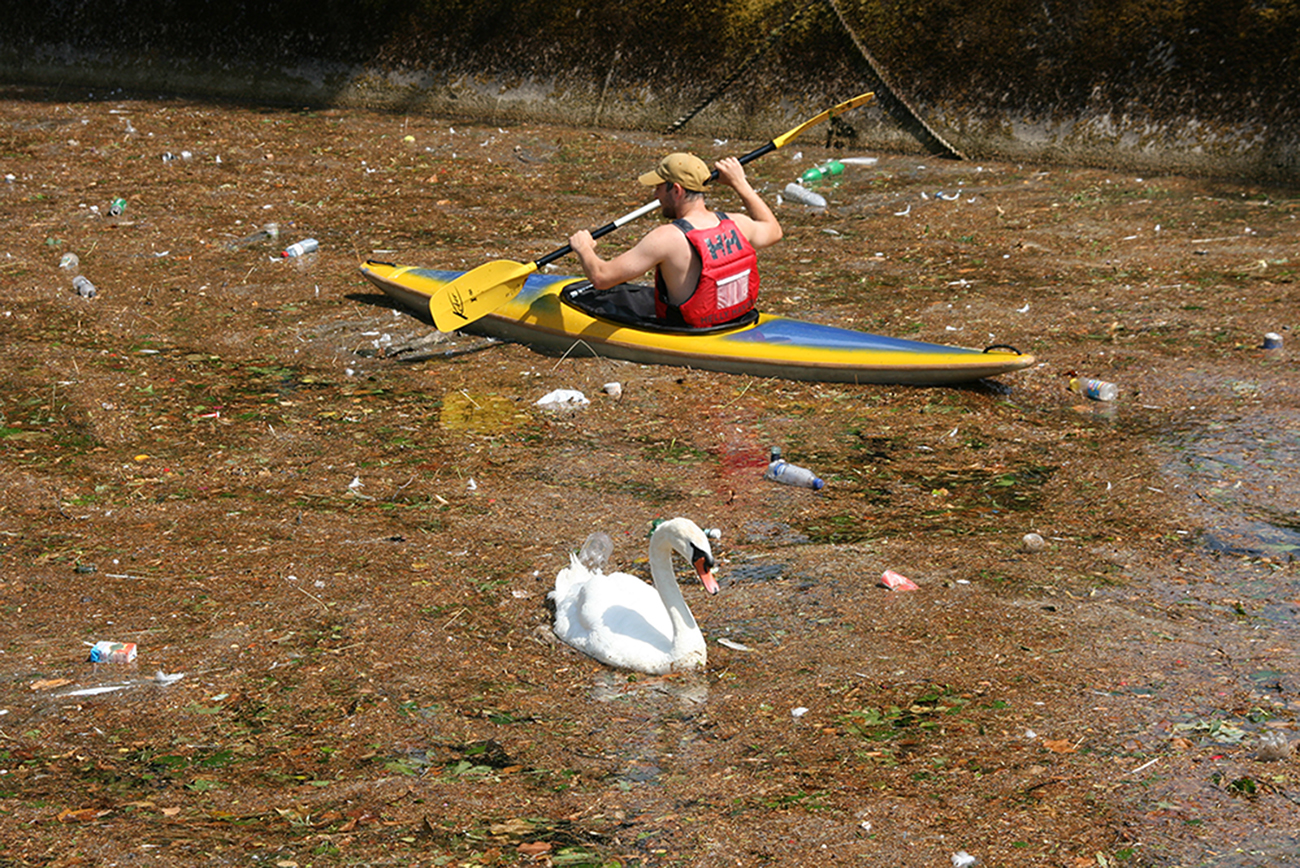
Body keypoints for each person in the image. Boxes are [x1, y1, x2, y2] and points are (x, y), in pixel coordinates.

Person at [568, 152, 783, 328]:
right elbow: (774, 231)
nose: (655, 196)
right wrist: (740, 183)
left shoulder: (666, 238)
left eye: (659, 188)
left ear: (677, 190)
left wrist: (583, 248)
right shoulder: (738, 223)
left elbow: (601, 278)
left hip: (689, 329)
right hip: (735, 321)